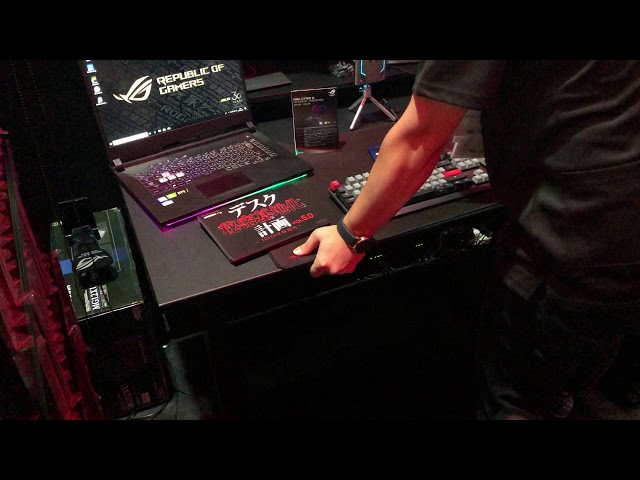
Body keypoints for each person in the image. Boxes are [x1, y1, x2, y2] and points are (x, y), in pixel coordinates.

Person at [292, 60, 640, 420]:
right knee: (584, 358)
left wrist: (350, 235)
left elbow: (421, 138)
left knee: (519, 399)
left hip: (577, 236)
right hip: (621, 218)